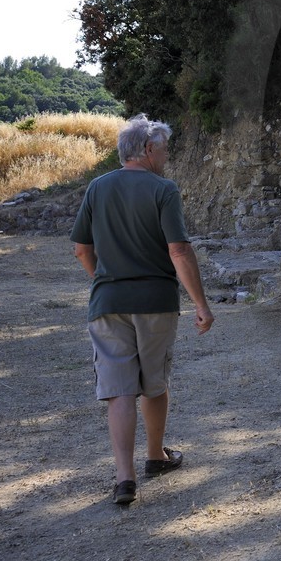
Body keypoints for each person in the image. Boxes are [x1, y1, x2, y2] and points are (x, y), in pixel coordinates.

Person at [72, 114, 213, 506]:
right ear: (149, 150)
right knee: (154, 383)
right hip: (155, 302)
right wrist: (201, 304)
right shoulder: (163, 190)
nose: (167, 156)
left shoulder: (97, 188)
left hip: (107, 303)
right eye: (165, 148)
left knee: (119, 391)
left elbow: (82, 249)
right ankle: (155, 456)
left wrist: (103, 280)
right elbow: (179, 250)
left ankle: (124, 478)